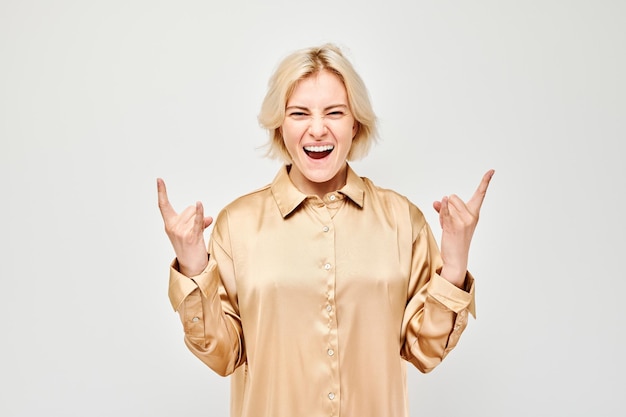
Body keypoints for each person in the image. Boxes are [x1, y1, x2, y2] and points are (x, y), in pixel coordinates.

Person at [157, 43, 494, 417]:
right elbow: (222, 355)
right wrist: (192, 267)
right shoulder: (237, 224)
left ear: (355, 123)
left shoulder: (403, 221)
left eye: (334, 112)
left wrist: (455, 261)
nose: (317, 129)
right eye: (299, 113)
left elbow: (426, 351)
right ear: (280, 124)